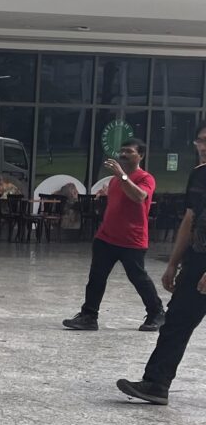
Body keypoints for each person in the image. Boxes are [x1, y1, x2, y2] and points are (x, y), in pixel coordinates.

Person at [119, 124, 206, 405]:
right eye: (199, 141)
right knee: (176, 321)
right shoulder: (199, 175)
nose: (202, 146)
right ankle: (156, 383)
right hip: (197, 258)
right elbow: (190, 220)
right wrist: (173, 263)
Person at [62, 139, 165, 332]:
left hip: (132, 240)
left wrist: (122, 175)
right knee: (96, 278)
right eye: (122, 151)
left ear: (140, 156)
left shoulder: (145, 178)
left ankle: (157, 313)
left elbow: (140, 197)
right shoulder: (114, 181)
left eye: (129, 151)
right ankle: (89, 316)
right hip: (106, 238)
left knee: (138, 277)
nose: (123, 154)